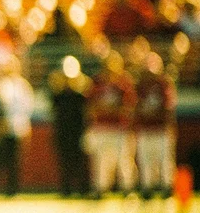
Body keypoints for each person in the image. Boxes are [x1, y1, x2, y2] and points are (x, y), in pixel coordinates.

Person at [83, 50, 138, 198]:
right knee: (100, 161)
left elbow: (129, 107)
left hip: (119, 128)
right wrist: (105, 110)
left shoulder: (123, 83)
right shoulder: (97, 82)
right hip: (101, 127)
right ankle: (100, 189)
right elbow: (90, 107)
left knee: (124, 160)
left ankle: (128, 189)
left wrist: (109, 109)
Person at [0, 56, 34, 197]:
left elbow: (27, 107)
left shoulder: (22, 85)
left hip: (17, 127)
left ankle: (12, 191)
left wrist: (25, 125)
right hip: (1, 128)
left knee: (14, 161)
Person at [133, 52, 177, 199]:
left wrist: (152, 112)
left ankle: (167, 187)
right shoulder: (140, 85)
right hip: (145, 128)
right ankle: (147, 188)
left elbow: (168, 107)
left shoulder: (164, 84)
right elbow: (133, 106)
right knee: (145, 160)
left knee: (164, 160)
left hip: (161, 128)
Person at [49, 56, 92, 197]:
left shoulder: (82, 94)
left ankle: (83, 189)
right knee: (65, 162)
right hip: (63, 132)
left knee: (79, 162)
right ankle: (66, 189)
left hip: (78, 132)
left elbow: (87, 113)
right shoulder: (58, 94)